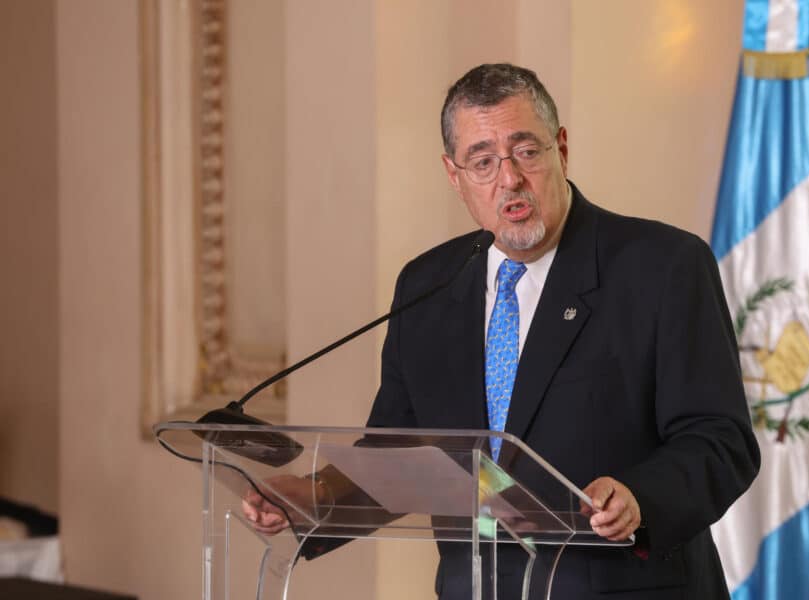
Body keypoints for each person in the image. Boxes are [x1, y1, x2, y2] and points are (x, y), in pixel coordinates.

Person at [244, 63, 759, 599]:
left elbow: (721, 441)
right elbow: (397, 456)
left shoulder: (662, 267)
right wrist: (313, 496)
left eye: (526, 151)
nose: (509, 178)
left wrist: (639, 497)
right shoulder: (429, 286)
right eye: (483, 161)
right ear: (454, 174)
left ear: (561, 148)